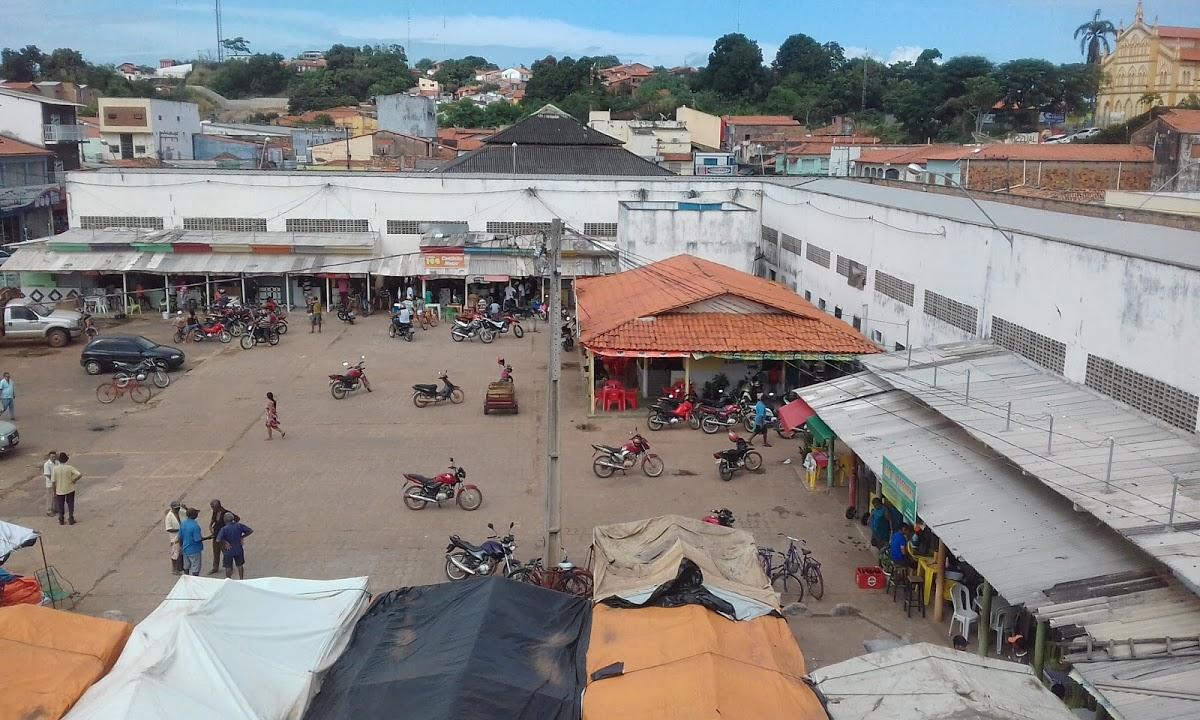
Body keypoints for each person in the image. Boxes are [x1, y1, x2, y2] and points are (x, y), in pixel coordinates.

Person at [216, 513, 253, 579]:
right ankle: (241, 579)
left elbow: (218, 540)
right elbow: (250, 531)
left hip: (228, 551)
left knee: (228, 567)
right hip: (238, 549)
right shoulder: (239, 525)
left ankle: (228, 580)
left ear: (225, 520)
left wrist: (225, 542)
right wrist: (242, 537)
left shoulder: (224, 529)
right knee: (240, 565)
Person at [208, 500, 239, 575]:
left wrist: (230, 527)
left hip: (224, 537)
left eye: (213, 507)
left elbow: (237, 518)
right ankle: (215, 567)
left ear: (217, 506)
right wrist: (210, 525)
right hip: (216, 535)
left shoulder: (226, 513)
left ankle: (229, 567)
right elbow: (213, 519)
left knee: (226, 552)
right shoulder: (215, 512)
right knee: (216, 552)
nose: (212, 508)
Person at [52, 452, 82, 526]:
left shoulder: (55, 469)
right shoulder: (69, 467)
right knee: (70, 504)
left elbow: (53, 481)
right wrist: (74, 480)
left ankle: (61, 519)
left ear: (59, 460)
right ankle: (71, 518)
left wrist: (54, 491)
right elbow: (79, 474)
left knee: (61, 505)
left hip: (59, 490)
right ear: (66, 460)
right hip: (70, 488)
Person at [178, 507, 204, 576]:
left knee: (186, 566)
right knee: (195, 568)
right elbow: (197, 539)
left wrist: (181, 547)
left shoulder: (183, 523)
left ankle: (186, 578)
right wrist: (206, 538)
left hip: (185, 548)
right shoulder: (195, 526)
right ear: (194, 515)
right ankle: (194, 579)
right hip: (194, 550)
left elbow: (180, 537)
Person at [165, 500, 184, 574]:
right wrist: (179, 529)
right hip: (175, 537)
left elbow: (187, 514)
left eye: (178, 508)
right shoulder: (169, 516)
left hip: (181, 535)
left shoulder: (180, 512)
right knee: (175, 553)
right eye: (176, 508)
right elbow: (168, 529)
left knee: (181, 552)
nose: (178, 509)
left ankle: (180, 567)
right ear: (172, 508)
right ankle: (174, 569)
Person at [43, 450, 58, 516]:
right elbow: (47, 474)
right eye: (52, 457)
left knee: (55, 496)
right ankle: (49, 511)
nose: (53, 458)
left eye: (54, 456)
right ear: (49, 457)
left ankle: (55, 508)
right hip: (50, 483)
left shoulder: (57, 462)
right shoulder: (47, 464)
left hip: (57, 482)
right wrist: (53, 480)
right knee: (50, 497)